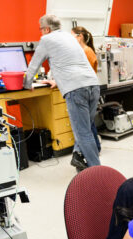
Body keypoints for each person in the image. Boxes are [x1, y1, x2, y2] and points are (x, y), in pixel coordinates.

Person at [23, 14, 100, 170]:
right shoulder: (69, 37)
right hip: (93, 84)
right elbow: (71, 61)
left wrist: (26, 84)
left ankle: (97, 173)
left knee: (83, 134)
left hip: (76, 89)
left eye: (41, 29)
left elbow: (33, 65)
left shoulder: (46, 40)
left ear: (46, 29)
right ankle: (78, 156)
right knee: (86, 128)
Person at [71, 25, 102, 155]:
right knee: (88, 122)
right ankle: (95, 148)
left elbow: (84, 73)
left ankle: (83, 152)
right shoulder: (83, 50)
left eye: (72, 36)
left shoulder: (86, 51)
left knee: (85, 125)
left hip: (86, 88)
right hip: (86, 87)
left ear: (80, 37)